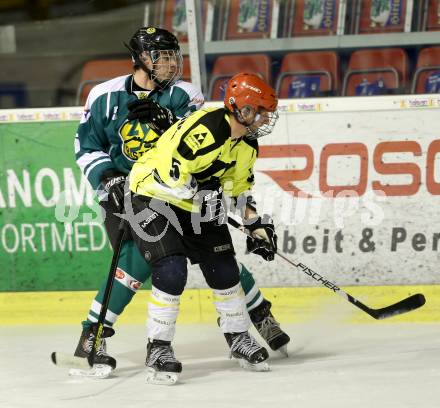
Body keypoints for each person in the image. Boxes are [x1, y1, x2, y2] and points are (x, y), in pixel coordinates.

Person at [73, 26, 289, 377]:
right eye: (164, 57)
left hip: (183, 190)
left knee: (218, 256)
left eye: (175, 56)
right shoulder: (105, 95)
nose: (172, 64)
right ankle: (93, 335)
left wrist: (243, 215)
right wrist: (107, 176)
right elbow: (86, 145)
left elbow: (202, 141)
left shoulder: (184, 94)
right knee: (141, 263)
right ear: (141, 59)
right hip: (131, 189)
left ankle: (259, 316)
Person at [127, 72, 280, 384]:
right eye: (262, 112)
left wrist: (255, 225)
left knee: (224, 268)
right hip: (152, 194)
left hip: (194, 201)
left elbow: (239, 189)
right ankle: (158, 347)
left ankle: (238, 338)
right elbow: (171, 175)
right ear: (245, 110)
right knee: (171, 269)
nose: (266, 119)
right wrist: (203, 194)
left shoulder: (247, 145)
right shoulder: (206, 130)